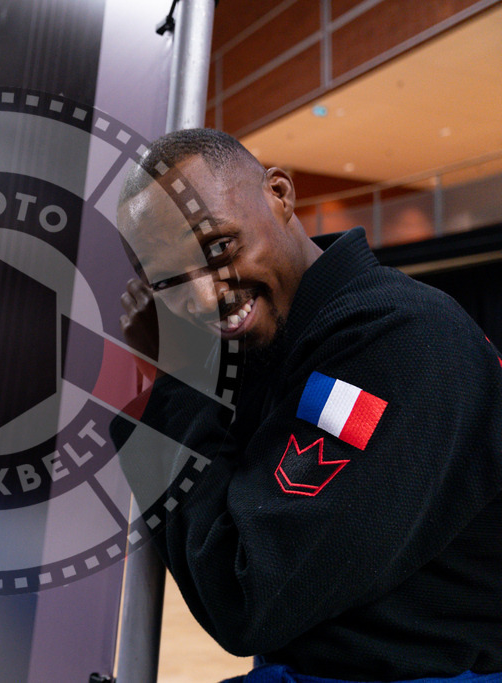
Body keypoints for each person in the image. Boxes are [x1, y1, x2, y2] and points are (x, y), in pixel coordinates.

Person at [113, 129, 502, 681]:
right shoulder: (278, 349)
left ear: (279, 193)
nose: (204, 296)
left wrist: (174, 380)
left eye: (220, 248)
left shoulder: (395, 340)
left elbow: (247, 592)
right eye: (169, 281)